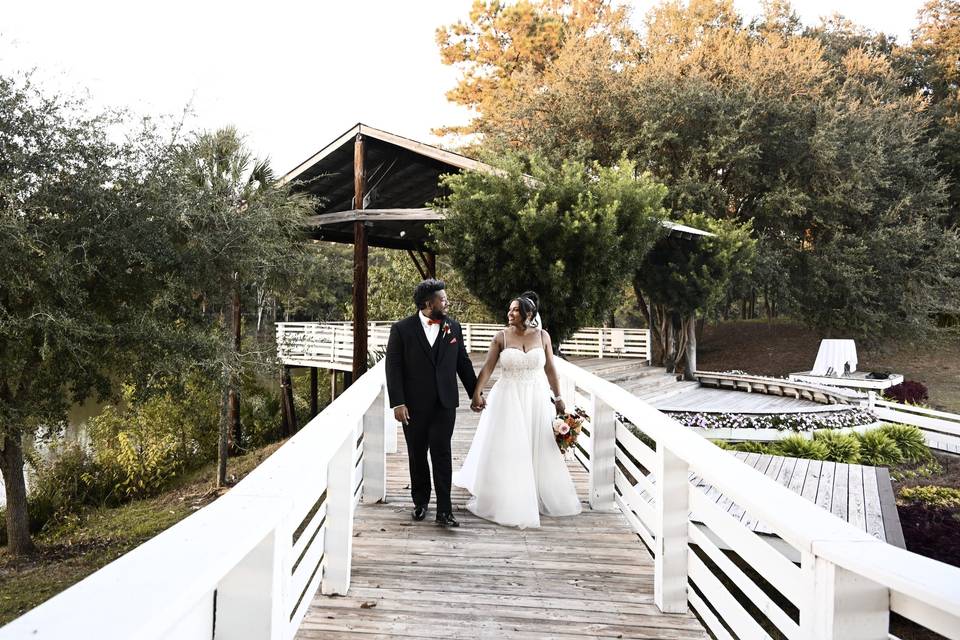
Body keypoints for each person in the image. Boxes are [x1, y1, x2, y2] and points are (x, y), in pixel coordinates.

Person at [453, 293, 581, 528]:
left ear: (528, 314)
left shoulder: (543, 336)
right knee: (509, 445)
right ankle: (506, 493)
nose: (509, 314)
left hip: (536, 397)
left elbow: (551, 369)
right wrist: (476, 393)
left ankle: (535, 491)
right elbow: (488, 368)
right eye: (509, 310)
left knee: (537, 443)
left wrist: (559, 397)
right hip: (507, 397)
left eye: (514, 310)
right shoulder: (501, 336)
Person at [385, 279, 478, 527]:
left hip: (444, 403)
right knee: (417, 454)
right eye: (443, 299)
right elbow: (393, 368)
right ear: (429, 303)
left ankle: (445, 511)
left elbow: (463, 364)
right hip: (413, 406)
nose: (447, 302)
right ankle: (421, 502)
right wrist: (398, 403)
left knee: (442, 452)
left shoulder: (453, 328)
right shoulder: (402, 329)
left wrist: (475, 393)